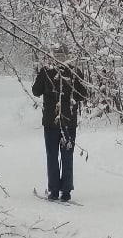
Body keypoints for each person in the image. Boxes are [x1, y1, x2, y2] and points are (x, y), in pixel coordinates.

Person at [31, 45, 89, 202]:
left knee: (52, 156)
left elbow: (36, 91)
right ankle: (67, 191)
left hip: (51, 122)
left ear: (52, 55)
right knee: (67, 155)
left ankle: (54, 190)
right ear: (67, 55)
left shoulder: (46, 72)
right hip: (69, 122)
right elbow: (83, 94)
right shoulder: (75, 72)